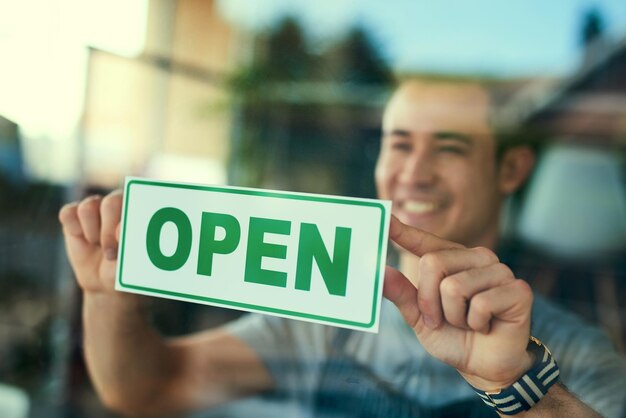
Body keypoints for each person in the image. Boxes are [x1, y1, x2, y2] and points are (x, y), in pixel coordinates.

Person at [59, 79, 626, 417]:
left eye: (448, 148)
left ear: (511, 168)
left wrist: (518, 385)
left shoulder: (576, 353)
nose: (415, 173)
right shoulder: (322, 314)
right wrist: (109, 296)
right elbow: (148, 387)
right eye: (399, 144)